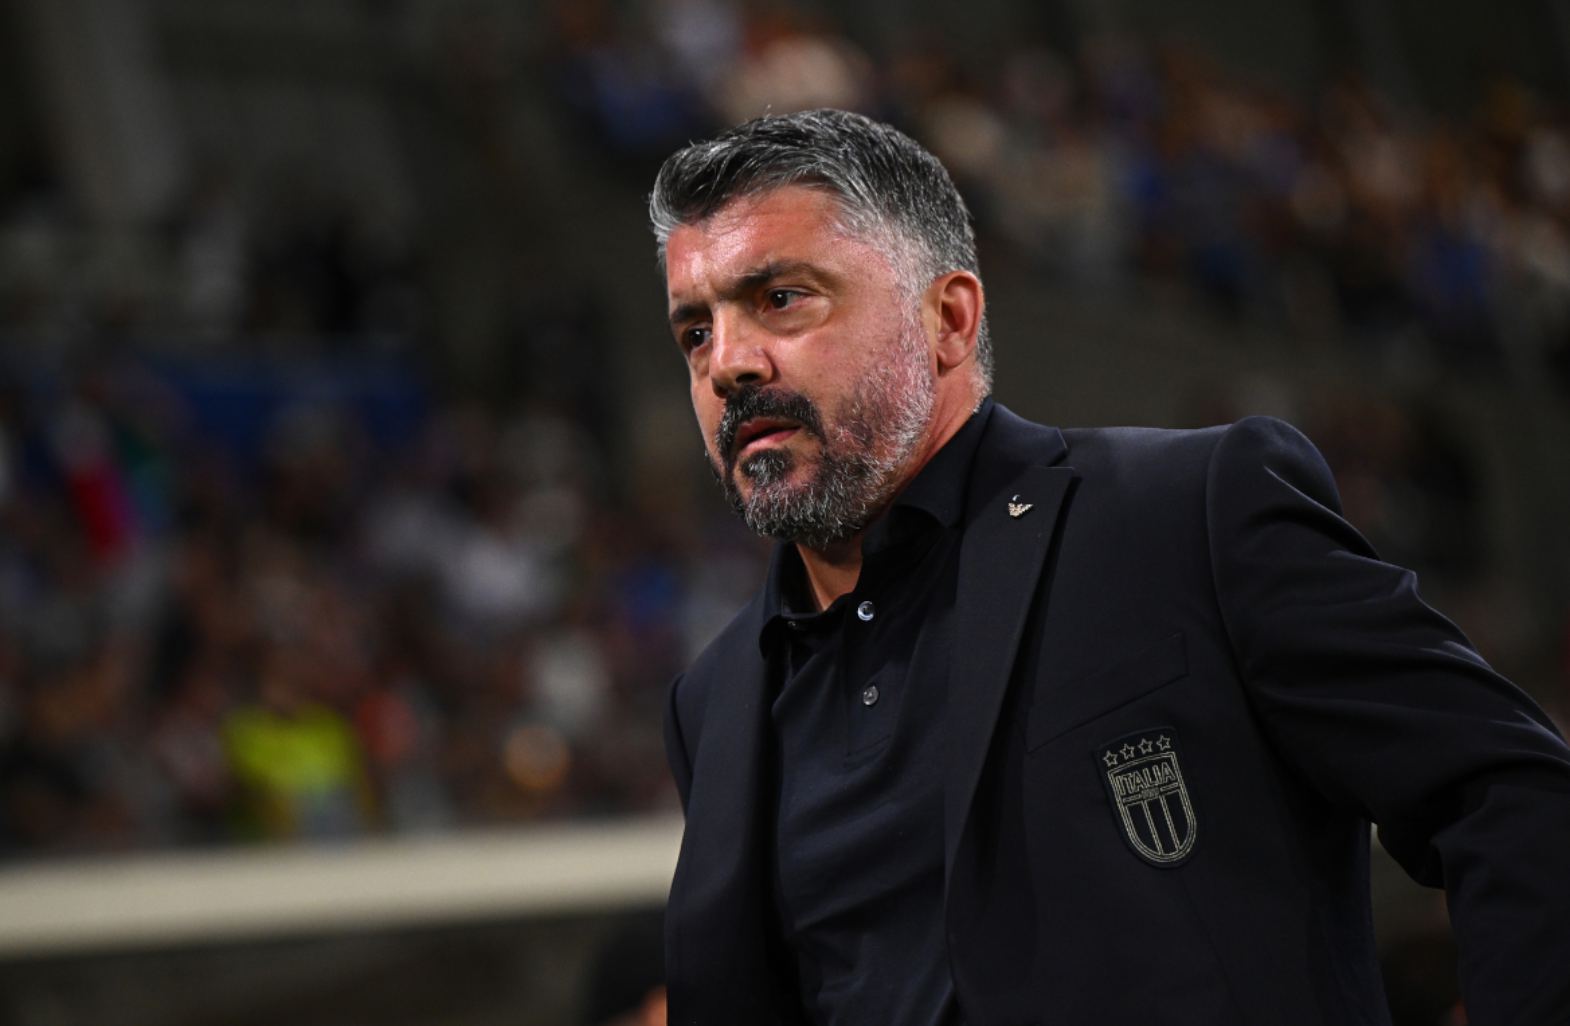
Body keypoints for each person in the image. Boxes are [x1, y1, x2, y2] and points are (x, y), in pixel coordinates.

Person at [648, 108, 1570, 1026]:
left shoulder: (1188, 513)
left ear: (948, 319)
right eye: (695, 332)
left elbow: (1513, 799)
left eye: (781, 298)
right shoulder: (715, 702)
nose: (727, 364)